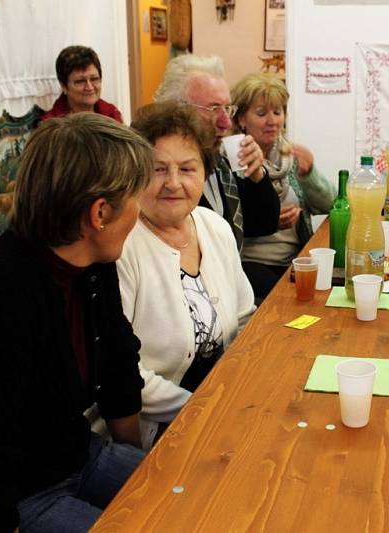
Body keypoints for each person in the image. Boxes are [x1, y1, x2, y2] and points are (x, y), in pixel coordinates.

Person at [0, 113, 153, 531]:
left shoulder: (92, 264)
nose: (140, 208)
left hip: (72, 454)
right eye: (136, 196)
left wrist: (139, 469)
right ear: (99, 213)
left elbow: (117, 366)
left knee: (190, 496)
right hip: (11, 495)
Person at [119, 102, 256, 450]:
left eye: (187, 168)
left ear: (205, 172)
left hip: (222, 405)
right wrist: (204, 407)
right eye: (158, 169)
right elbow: (123, 375)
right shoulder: (122, 245)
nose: (174, 183)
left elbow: (244, 319)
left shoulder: (214, 227)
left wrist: (243, 396)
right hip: (157, 427)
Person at [154, 54, 280, 253]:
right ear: (176, 109)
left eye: (227, 109)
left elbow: (264, 224)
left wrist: (258, 176)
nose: (226, 122)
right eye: (213, 109)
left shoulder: (223, 160)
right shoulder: (158, 174)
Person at [230, 73, 334, 298]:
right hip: (249, 263)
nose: (272, 121)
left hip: (296, 258)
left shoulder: (290, 155)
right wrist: (269, 222)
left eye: (277, 112)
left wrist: (309, 174)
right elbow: (227, 222)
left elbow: (331, 204)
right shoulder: (232, 161)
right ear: (241, 119)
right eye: (261, 113)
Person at [41, 45, 123, 123]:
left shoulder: (112, 114)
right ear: (64, 86)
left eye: (94, 79)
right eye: (80, 81)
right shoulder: (51, 126)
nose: (90, 87)